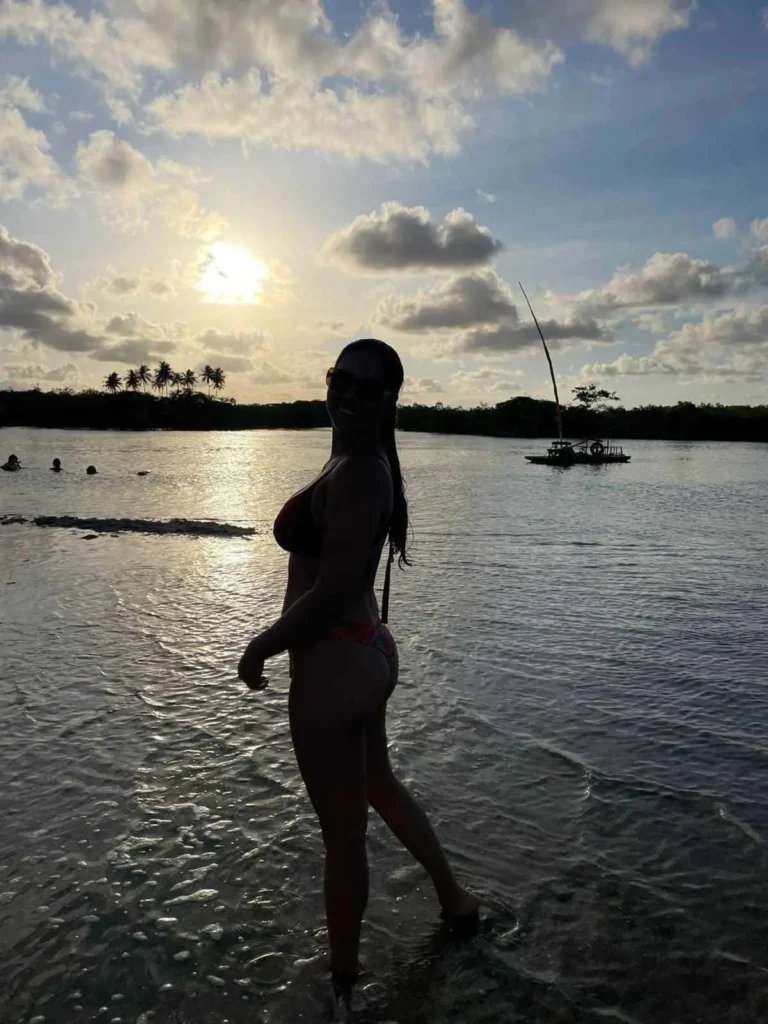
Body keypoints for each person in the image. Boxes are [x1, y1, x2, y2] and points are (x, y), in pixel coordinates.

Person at [237, 339, 478, 1004]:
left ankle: (342, 986)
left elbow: (335, 587)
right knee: (380, 786)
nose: (345, 393)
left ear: (387, 401)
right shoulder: (356, 457)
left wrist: (262, 645)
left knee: (342, 838)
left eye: (364, 388)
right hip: (365, 651)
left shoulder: (363, 469)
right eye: (338, 378)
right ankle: (456, 902)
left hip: (335, 665)